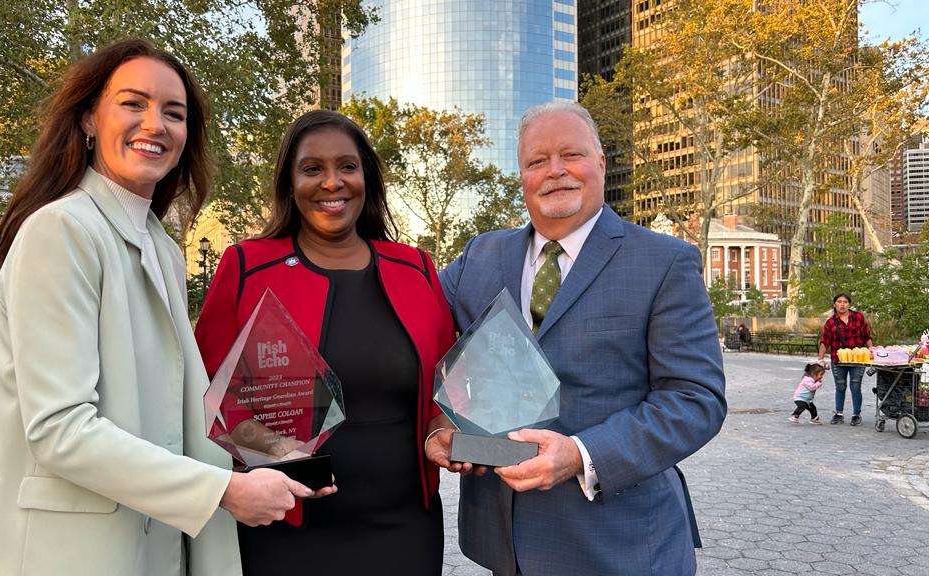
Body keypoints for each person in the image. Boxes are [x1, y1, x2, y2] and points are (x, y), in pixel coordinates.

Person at [0, 39, 324, 576]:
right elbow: (59, 429)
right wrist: (224, 490)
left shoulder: (158, 243)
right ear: (89, 118)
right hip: (70, 552)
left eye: (174, 113)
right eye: (133, 103)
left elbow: (176, 410)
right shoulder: (61, 230)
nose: (155, 124)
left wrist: (271, 445)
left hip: (152, 540)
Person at [428, 101, 727, 576]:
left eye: (571, 154)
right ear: (521, 175)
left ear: (601, 163)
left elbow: (695, 399)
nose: (556, 171)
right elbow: (413, 333)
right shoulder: (479, 257)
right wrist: (435, 423)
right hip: (505, 544)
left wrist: (581, 455)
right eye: (536, 161)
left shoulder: (664, 262)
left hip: (622, 545)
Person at [194, 109, 457, 576]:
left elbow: (444, 389)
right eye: (312, 168)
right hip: (287, 526)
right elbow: (205, 395)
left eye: (347, 167)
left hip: (404, 529)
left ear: (366, 179)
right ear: (289, 183)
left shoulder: (416, 267)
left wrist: (441, 431)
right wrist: (271, 447)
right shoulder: (245, 267)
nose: (332, 182)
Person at [817, 292, 873, 426]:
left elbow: (866, 336)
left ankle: (856, 414)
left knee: (855, 386)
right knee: (840, 386)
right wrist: (820, 358)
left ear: (849, 304)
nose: (842, 304)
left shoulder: (858, 317)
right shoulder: (830, 322)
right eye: (839, 302)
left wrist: (872, 350)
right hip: (839, 360)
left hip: (858, 359)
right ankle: (839, 413)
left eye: (845, 302)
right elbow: (825, 341)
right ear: (835, 304)